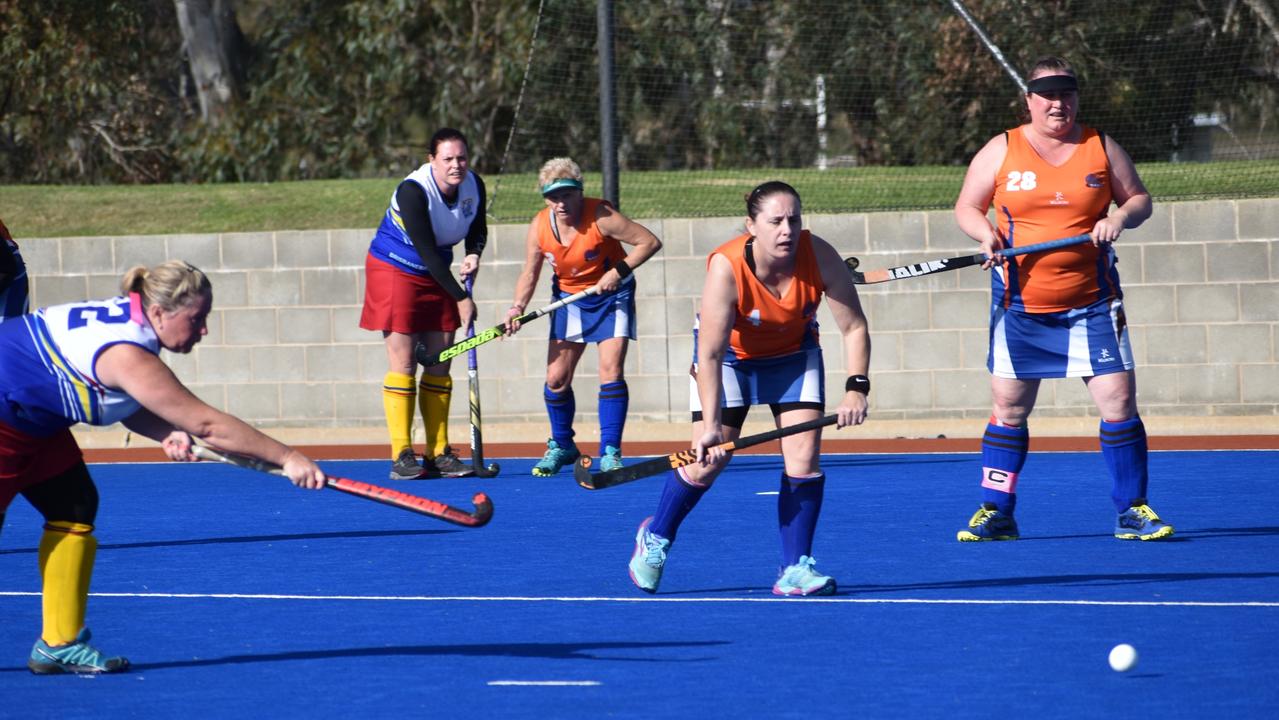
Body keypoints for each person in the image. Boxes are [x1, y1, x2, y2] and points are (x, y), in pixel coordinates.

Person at [0, 260, 327, 674]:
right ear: (159, 313)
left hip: (29, 417)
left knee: (74, 504)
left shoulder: (131, 325)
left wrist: (163, 431)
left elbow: (117, 397)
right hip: (9, 413)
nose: (203, 330)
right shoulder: (129, 352)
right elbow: (207, 424)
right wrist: (287, 456)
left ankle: (59, 644)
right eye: (197, 319)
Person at [952, 56, 1171, 542]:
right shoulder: (1002, 149)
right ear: (1029, 100)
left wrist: (1119, 218)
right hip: (1020, 306)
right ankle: (996, 510)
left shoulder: (1100, 146)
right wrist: (984, 233)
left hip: (1091, 303)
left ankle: (1133, 509)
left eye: (1067, 94)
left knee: (1118, 401)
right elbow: (967, 206)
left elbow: (1139, 199)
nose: (1059, 104)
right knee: (1008, 409)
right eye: (1048, 95)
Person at [627, 181, 871, 596]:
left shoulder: (819, 255)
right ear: (751, 226)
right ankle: (656, 536)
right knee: (708, 459)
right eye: (775, 221)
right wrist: (708, 424)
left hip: (794, 357)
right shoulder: (727, 265)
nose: (786, 230)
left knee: (804, 460)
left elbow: (855, 327)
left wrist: (856, 388)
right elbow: (709, 353)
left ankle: (794, 568)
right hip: (729, 362)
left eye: (793, 219)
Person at [504, 157, 662, 476]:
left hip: (611, 294)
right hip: (569, 299)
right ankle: (562, 445)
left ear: (580, 192)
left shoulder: (601, 216)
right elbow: (530, 272)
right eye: (553, 196)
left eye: (567, 194)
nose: (561, 203)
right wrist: (517, 307)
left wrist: (618, 271)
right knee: (556, 379)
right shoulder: (539, 226)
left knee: (610, 369)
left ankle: (610, 452)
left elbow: (649, 242)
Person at [360, 127, 488, 481]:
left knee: (440, 358)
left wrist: (474, 253)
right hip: (395, 268)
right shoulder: (414, 191)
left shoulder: (473, 184)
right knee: (404, 362)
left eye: (461, 157)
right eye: (447, 158)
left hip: (436, 271)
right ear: (431, 160)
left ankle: (438, 452)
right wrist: (461, 297)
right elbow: (429, 252)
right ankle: (402, 454)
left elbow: (477, 227)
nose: (456, 165)